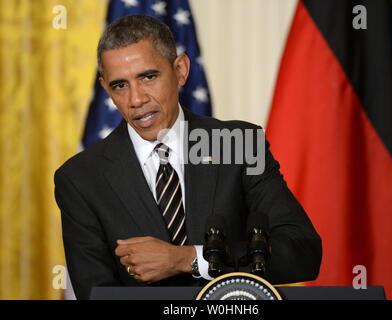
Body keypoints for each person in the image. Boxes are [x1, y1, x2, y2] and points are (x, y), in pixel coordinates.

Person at [54, 14, 322, 300]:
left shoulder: (237, 145)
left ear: (180, 70)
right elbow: (96, 294)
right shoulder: (81, 178)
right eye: (120, 85)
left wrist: (188, 259)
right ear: (106, 88)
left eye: (148, 77)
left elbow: (302, 252)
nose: (135, 100)